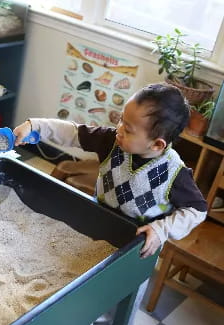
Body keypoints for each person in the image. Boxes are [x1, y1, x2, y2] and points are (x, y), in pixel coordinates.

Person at [14, 83, 206, 258]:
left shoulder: (174, 173)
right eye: (122, 120)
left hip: (138, 245)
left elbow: (197, 210)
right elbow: (73, 133)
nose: (119, 129)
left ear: (157, 144)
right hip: (98, 221)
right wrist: (35, 126)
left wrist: (161, 229)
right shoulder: (112, 140)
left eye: (129, 129)